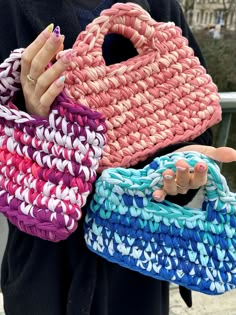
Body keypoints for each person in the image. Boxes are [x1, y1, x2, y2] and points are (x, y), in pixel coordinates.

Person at [0, 0, 235, 315]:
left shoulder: (161, 6)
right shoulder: (11, 8)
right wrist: (33, 122)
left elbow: (195, 124)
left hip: (140, 249)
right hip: (48, 258)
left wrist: (182, 169)